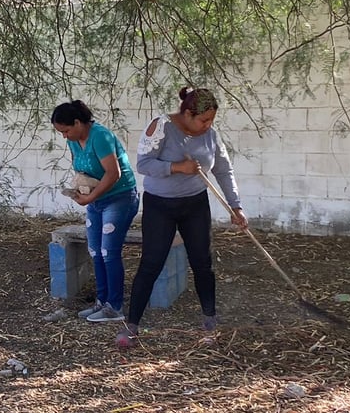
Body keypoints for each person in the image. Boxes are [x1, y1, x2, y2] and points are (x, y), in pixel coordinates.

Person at [118, 87, 248, 347]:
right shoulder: (161, 127)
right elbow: (143, 164)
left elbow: (223, 169)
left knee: (203, 262)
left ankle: (210, 321)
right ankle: (131, 327)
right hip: (160, 206)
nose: (208, 125)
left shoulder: (210, 135)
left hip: (195, 205)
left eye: (211, 120)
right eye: (203, 120)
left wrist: (236, 206)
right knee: (151, 263)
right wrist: (177, 167)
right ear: (188, 114)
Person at [51, 100, 140, 323]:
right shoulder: (74, 141)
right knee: (95, 251)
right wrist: (80, 191)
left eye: (66, 130)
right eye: (61, 132)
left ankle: (115, 307)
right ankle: (102, 301)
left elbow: (113, 173)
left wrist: (90, 196)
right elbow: (82, 170)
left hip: (119, 198)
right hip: (96, 200)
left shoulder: (100, 136)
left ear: (79, 122)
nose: (65, 136)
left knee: (109, 252)